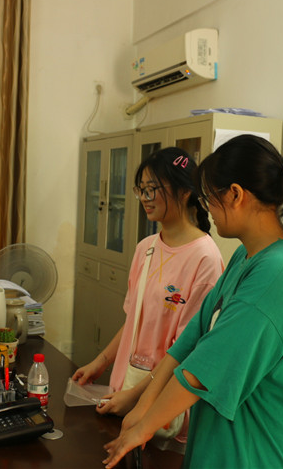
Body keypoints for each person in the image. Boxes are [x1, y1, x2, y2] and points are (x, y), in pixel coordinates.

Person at [103, 134, 283, 468]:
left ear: (235, 194)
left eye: (208, 198)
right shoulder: (244, 256)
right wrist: (143, 406)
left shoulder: (279, 271)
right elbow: (192, 338)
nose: (205, 208)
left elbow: (206, 368)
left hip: (258, 453)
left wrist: (145, 426)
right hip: (222, 443)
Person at [72, 147, 224, 451]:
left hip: (164, 405)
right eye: (141, 189)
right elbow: (133, 321)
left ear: (184, 191)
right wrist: (100, 362)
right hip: (125, 391)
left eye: (152, 188)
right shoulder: (146, 248)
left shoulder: (205, 259)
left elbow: (188, 350)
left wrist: (137, 396)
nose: (144, 197)